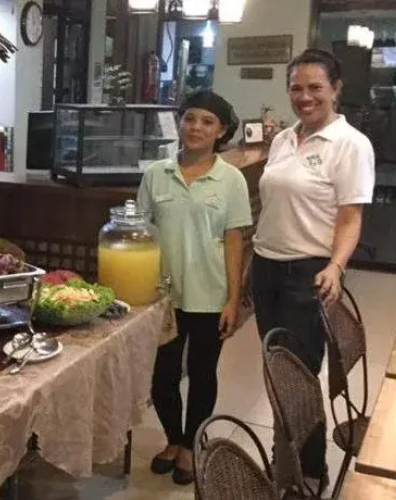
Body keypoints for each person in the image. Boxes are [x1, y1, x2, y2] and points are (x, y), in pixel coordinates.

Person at [251, 48, 374, 493]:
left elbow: (350, 217)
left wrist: (336, 267)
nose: (305, 97)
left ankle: (309, 471)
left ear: (335, 89)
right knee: (275, 370)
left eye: (315, 87)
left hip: (308, 274)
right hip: (265, 268)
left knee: (299, 376)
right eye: (296, 88)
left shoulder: (351, 144)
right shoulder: (284, 139)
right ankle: (282, 459)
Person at [138, 91, 252, 485]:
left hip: (210, 294)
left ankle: (190, 445)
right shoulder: (156, 174)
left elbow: (235, 241)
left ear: (221, 130)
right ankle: (173, 438)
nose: (196, 127)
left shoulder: (231, 179)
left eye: (207, 121)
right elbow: (141, 234)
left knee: (203, 374)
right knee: (162, 376)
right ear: (179, 122)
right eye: (189, 118)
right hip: (163, 297)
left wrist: (233, 299)